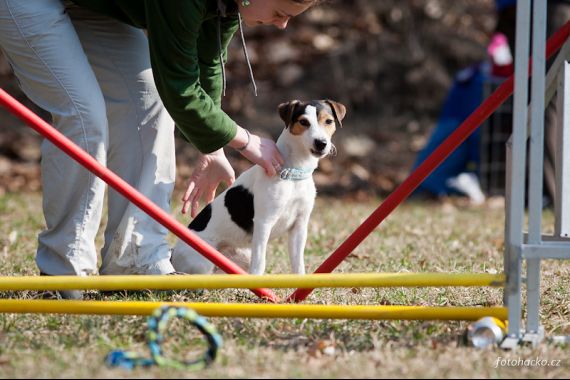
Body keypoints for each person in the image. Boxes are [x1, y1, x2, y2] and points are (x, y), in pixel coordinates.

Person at [0, 0, 316, 299]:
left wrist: (214, 148)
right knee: (84, 116)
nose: (283, 24)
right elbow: (179, 84)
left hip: (96, 7)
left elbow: (205, 65)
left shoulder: (231, 3)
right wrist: (245, 140)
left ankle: (134, 262)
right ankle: (63, 273)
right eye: (279, 10)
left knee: (148, 101)